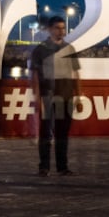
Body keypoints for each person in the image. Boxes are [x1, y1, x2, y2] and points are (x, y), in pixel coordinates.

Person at [28, 16, 80, 177]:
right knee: (46, 133)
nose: (61, 31)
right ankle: (44, 166)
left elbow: (76, 73)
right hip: (48, 96)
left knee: (62, 133)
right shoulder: (40, 50)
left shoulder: (69, 49)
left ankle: (62, 167)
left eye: (63, 28)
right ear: (50, 29)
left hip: (66, 96)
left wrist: (79, 96)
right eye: (57, 28)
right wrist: (36, 97)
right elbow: (34, 75)